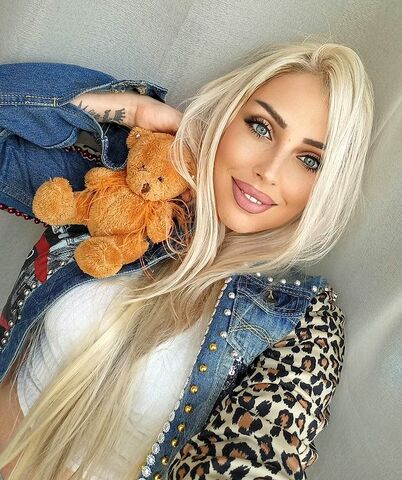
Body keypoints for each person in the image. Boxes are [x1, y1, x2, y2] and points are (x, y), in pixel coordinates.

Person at [0, 41, 373, 480]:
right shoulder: (127, 189)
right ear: (225, 117)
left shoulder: (300, 318)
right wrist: (130, 110)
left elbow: (259, 455)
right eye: (261, 128)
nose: (270, 171)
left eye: (309, 160)